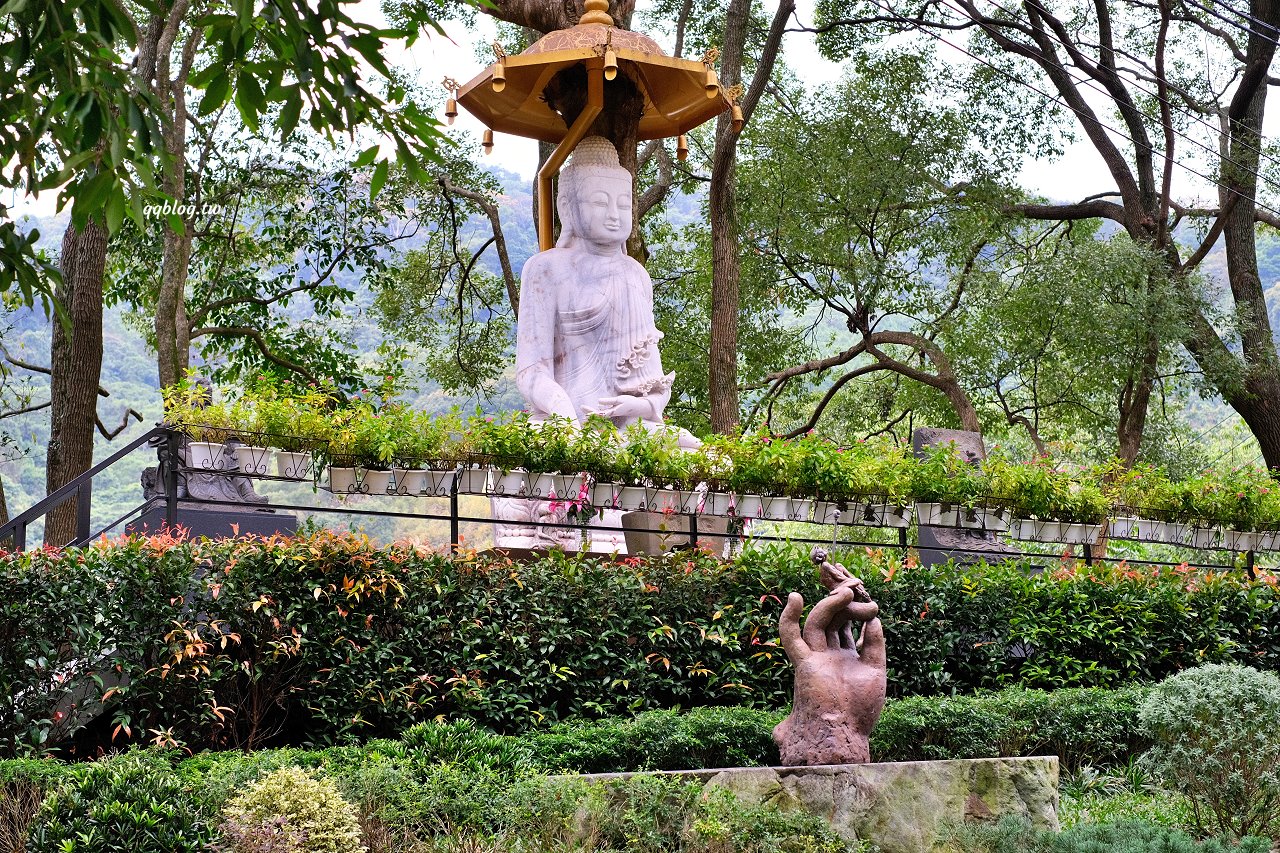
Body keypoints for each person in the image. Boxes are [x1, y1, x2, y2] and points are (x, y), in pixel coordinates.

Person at [515, 136, 675, 431]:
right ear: (567, 206)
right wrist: (566, 416)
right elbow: (530, 372)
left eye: (623, 204)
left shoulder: (635, 275)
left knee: (706, 460)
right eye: (600, 202)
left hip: (629, 424)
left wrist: (639, 405)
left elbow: (653, 382)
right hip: (563, 421)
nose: (614, 215)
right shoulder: (545, 269)